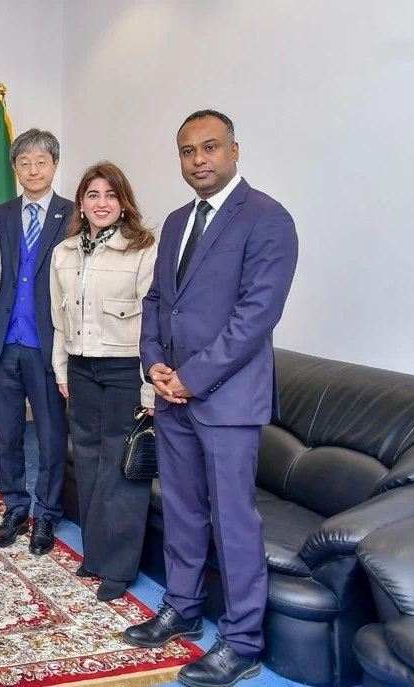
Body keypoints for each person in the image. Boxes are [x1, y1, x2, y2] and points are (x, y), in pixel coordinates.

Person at [122, 110, 298, 687]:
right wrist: (154, 364)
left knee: (233, 520)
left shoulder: (268, 219)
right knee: (182, 510)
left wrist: (192, 377)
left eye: (210, 148)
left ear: (234, 150)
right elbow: (157, 302)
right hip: (171, 394)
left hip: (226, 399)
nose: (198, 160)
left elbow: (256, 317)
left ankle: (243, 640)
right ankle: (183, 607)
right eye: (188, 152)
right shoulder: (175, 222)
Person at [50, 161, 156, 602]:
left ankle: (118, 567)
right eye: (93, 195)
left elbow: (154, 324)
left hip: (124, 369)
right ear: (81, 202)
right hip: (80, 368)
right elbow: (59, 318)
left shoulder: (143, 249)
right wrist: (61, 371)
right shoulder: (66, 251)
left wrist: (150, 386)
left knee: (121, 466)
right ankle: (95, 555)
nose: (101, 203)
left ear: (123, 202)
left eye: (110, 195)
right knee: (89, 462)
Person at [0, 128, 73, 555]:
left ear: (55, 165)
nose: (33, 169)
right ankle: (15, 509)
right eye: (24, 162)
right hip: (3, 343)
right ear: (15, 168)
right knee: (8, 435)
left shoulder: (74, 215)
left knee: (53, 437)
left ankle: (47, 516)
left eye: (41, 161)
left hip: (48, 346)